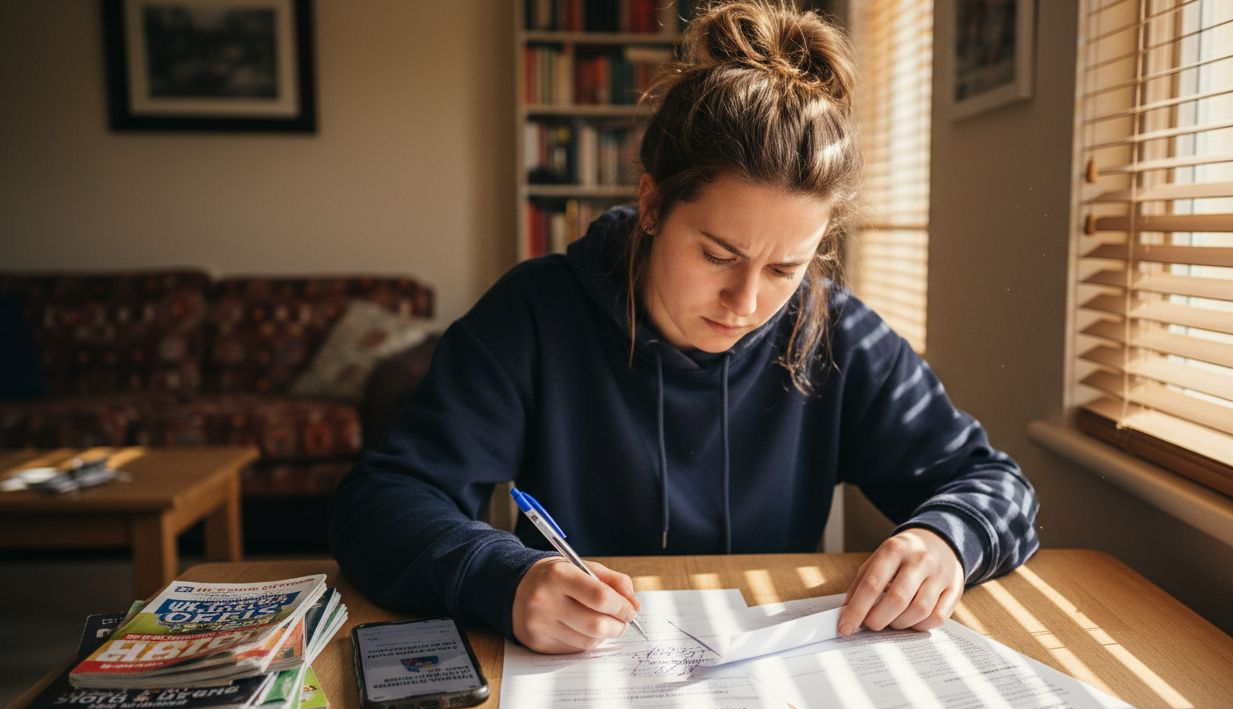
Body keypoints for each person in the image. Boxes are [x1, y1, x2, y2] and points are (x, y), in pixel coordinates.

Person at [330, 0, 1039, 655]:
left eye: (783, 268)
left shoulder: (835, 333)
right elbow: (382, 503)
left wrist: (948, 539)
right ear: (650, 204)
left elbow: (995, 486)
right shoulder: (534, 315)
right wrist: (502, 577)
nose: (745, 300)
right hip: (580, 684)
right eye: (718, 255)